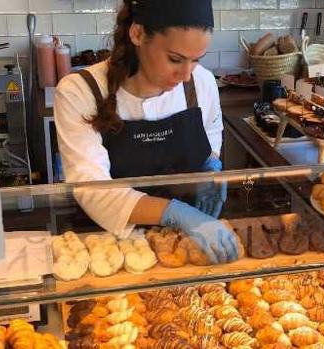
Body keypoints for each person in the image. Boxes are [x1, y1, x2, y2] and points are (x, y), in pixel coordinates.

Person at [54, 0, 239, 264]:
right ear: (138, 34)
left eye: (196, 60)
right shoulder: (80, 91)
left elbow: (211, 132)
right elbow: (92, 189)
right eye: (175, 59)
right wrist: (177, 213)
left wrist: (210, 169)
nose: (186, 75)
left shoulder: (202, 82)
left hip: (189, 246)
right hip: (110, 252)